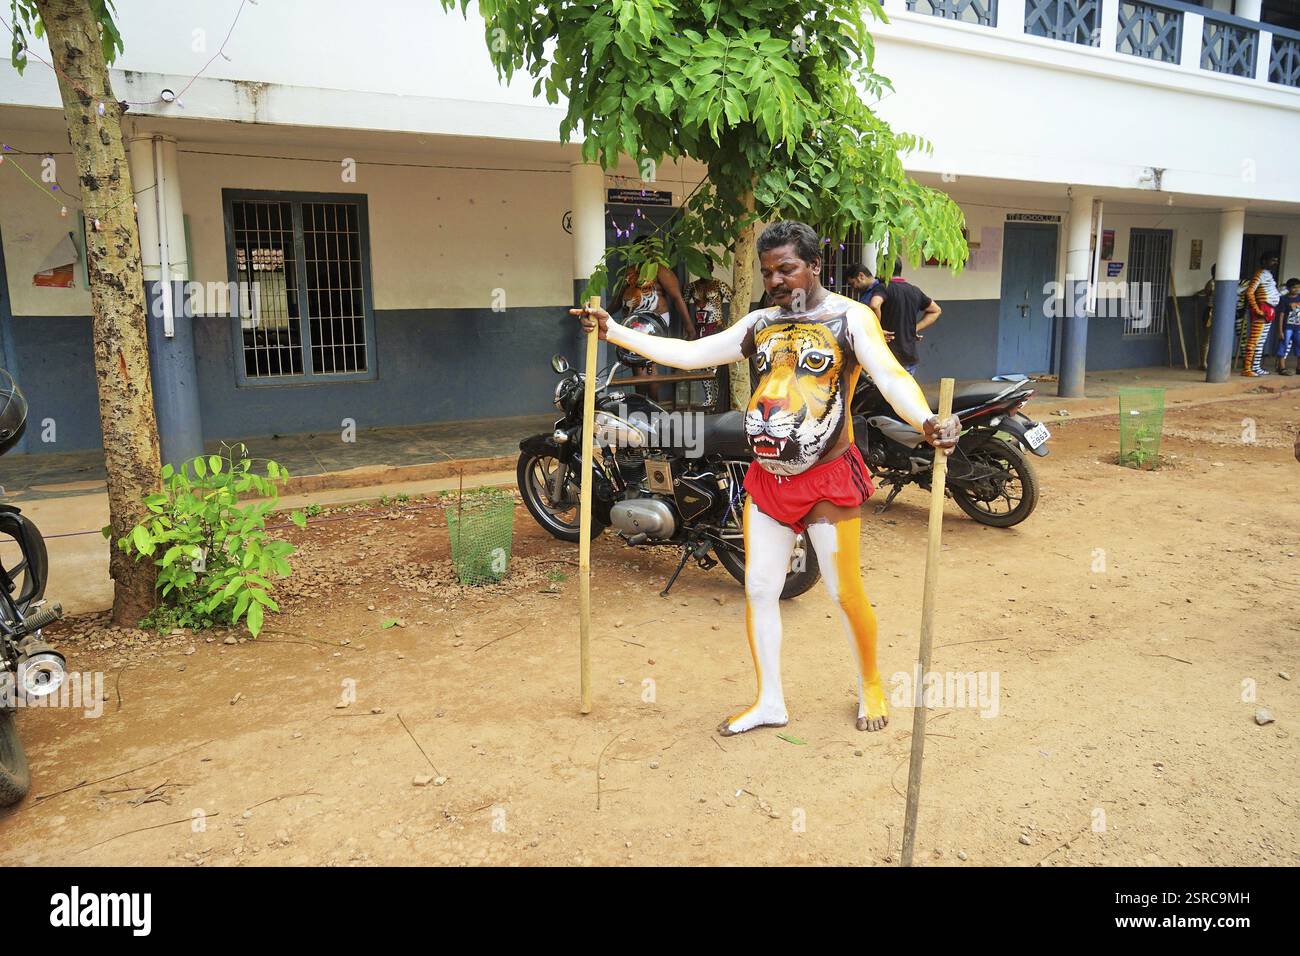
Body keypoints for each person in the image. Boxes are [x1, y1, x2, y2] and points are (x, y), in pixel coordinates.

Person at [572, 221, 960, 737]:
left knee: (844, 591)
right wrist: (613, 331)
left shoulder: (852, 318)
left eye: (787, 268)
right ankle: (769, 700)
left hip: (826, 477)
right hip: (769, 480)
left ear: (815, 266)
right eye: (767, 271)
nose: (775, 280)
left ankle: (870, 682)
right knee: (759, 589)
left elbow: (891, 377)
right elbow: (693, 354)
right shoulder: (759, 324)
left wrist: (926, 421)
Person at [613, 261, 695, 398]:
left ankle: (650, 403)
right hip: (634, 321)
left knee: (646, 363)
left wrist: (689, 325)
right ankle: (645, 403)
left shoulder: (659, 269)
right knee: (638, 364)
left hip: (654, 321)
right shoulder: (630, 270)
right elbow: (619, 298)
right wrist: (604, 313)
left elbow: (676, 296)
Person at [878, 260, 941, 376]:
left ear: (885, 270)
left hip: (887, 356)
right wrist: (915, 328)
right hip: (909, 357)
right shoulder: (914, 290)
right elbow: (936, 310)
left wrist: (877, 330)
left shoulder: (883, 288)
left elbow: (874, 304)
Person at [684, 262, 733, 409]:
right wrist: (688, 327)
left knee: (716, 366)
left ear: (711, 268)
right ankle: (709, 399)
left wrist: (729, 323)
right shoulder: (692, 287)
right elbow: (683, 302)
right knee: (704, 365)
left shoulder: (719, 284)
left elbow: (734, 300)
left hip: (716, 327)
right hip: (700, 329)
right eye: (700, 266)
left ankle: (718, 400)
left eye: (706, 266)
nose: (703, 270)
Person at [1242, 251, 1281, 376]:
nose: (1275, 263)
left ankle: (1256, 367)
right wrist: (1257, 309)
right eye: (1272, 260)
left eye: (1276, 260)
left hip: (1269, 309)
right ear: (1264, 261)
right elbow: (1249, 292)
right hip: (1262, 309)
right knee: (1254, 339)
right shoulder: (1259, 274)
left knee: (1261, 341)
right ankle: (1247, 368)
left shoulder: (1268, 274)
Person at [1276, 277, 1300, 375]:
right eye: (1294, 287)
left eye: (1298, 287)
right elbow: (1281, 315)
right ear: (1288, 288)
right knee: (1283, 345)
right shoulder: (1284, 299)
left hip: (1298, 327)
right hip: (1287, 327)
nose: (1297, 289)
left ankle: (1299, 368)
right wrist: (1280, 330)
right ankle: (1282, 368)